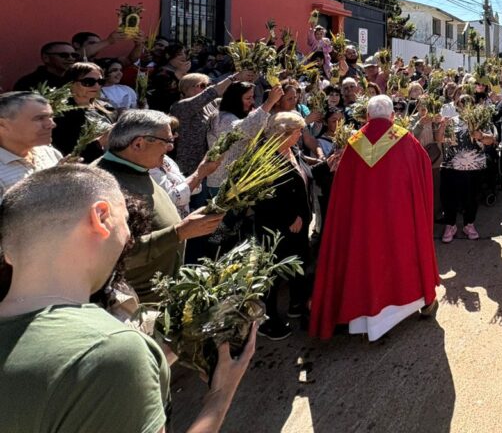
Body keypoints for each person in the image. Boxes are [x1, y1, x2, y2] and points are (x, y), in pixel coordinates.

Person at [0, 164, 256, 433]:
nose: (129, 237)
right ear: (101, 217)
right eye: (125, 220)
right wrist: (220, 395)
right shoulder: (109, 351)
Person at [309, 95, 440, 341]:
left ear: (367, 116)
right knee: (403, 256)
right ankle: (413, 304)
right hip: (399, 217)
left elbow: (342, 189)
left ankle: (366, 320)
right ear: (392, 116)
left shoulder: (354, 142)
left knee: (367, 260)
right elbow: (424, 167)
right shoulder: (404, 138)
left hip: (363, 224)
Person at [97, 110, 225, 301]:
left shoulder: (137, 167)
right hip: (135, 305)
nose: (170, 148)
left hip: (160, 295)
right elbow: (113, 255)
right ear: (138, 143)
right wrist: (179, 232)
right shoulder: (103, 184)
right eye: (166, 141)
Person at [252, 112, 314, 340]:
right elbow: (264, 196)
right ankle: (267, 321)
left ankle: (296, 305)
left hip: (299, 223)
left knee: (297, 263)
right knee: (274, 272)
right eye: (297, 131)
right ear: (283, 133)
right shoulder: (265, 159)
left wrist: (327, 165)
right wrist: (290, 217)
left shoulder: (293, 151)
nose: (301, 135)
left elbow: (304, 175)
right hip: (277, 227)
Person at [439, 95, 497, 243]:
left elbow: (491, 140)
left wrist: (481, 135)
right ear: (457, 106)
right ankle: (450, 225)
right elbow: (440, 140)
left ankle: (468, 224)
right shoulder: (452, 122)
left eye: (469, 102)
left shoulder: (480, 121)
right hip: (452, 167)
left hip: (474, 168)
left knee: (471, 199)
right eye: (462, 103)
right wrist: (442, 127)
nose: (465, 105)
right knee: (450, 199)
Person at [0, 91, 61, 202]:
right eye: (39, 118)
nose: (51, 124)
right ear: (3, 125)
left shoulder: (49, 152)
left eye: (51, 117)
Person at [51, 62, 116, 163]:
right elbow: (66, 153)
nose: (96, 86)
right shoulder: (60, 115)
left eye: (100, 81)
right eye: (88, 82)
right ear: (70, 83)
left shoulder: (105, 107)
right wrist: (100, 142)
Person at [13, 41, 79, 91]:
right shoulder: (28, 82)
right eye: (63, 55)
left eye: (74, 55)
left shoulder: (78, 79)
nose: (71, 58)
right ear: (46, 58)